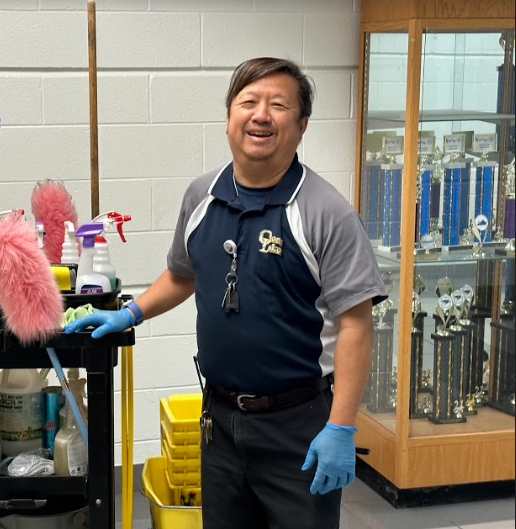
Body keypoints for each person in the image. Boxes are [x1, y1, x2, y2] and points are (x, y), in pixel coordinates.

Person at [64, 57, 387, 528]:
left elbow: (357, 324)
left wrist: (340, 427)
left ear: (301, 126)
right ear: (229, 117)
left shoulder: (326, 213)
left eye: (278, 105)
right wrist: (128, 313)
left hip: (298, 427)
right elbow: (182, 275)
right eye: (248, 102)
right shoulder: (202, 197)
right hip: (219, 422)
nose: (261, 115)